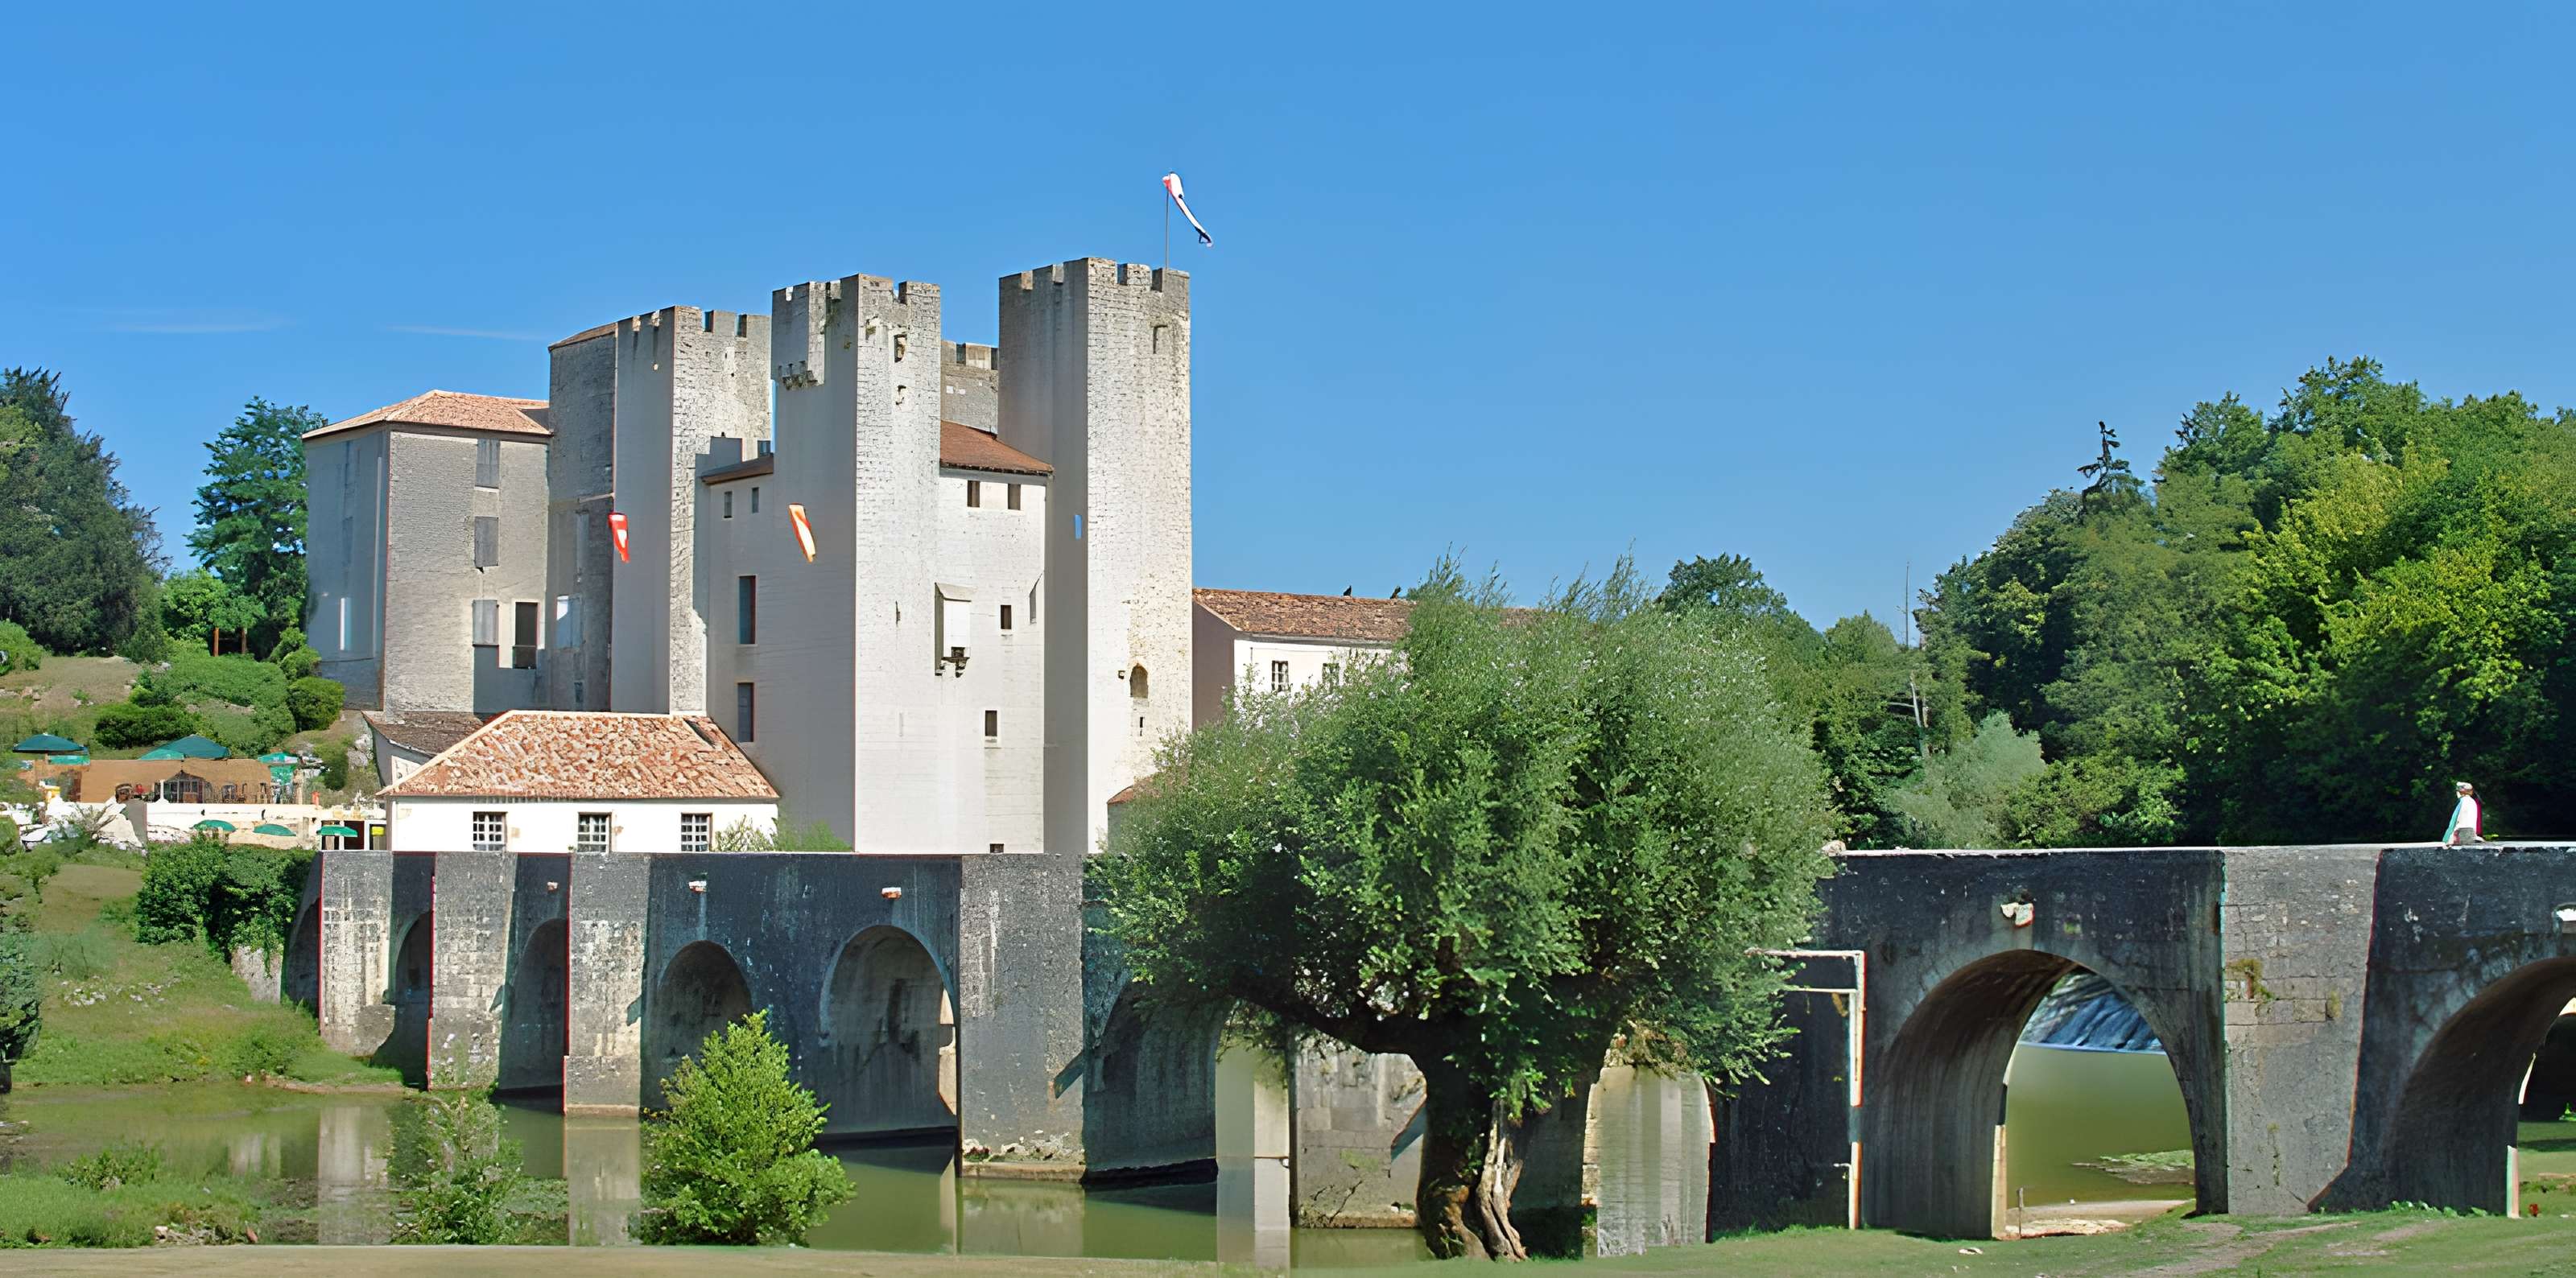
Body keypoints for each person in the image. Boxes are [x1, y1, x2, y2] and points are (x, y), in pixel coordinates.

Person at [2442, 781, 2482, 845]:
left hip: (2461, 837)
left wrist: (2452, 837)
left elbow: (2461, 822)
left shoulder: (2465, 801)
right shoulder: (2471, 801)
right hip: (2468, 836)